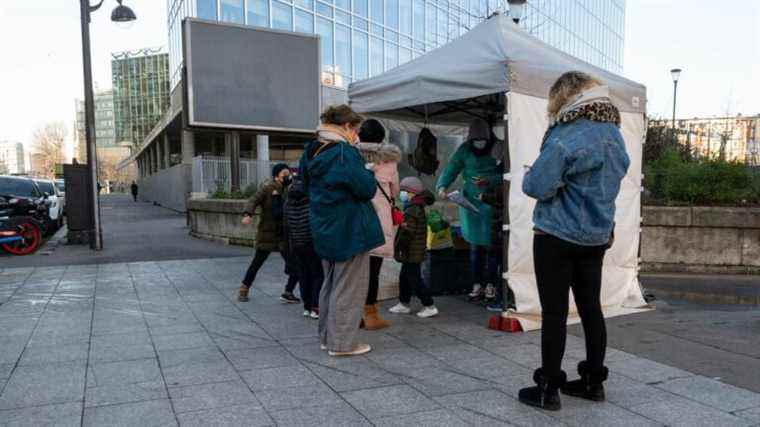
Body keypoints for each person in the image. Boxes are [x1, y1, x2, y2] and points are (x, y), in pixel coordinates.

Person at [517, 71, 629, 411]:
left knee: (554, 312)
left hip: (557, 235)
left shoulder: (567, 134)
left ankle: (548, 388)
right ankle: (594, 382)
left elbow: (536, 186)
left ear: (566, 98)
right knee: (591, 308)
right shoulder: (614, 134)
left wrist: (537, 176)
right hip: (596, 236)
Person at [299, 105, 384, 357]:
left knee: (331, 284)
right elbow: (366, 189)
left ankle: (328, 337)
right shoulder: (344, 153)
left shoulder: (312, 150)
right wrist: (369, 172)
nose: (357, 134)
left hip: (324, 225)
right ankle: (342, 344)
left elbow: (305, 185)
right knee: (349, 287)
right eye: (355, 129)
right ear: (346, 127)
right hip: (349, 228)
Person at [436, 118, 500, 302]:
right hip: (470, 202)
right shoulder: (464, 150)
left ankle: (491, 284)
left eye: (482, 139)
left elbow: (507, 170)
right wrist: (442, 186)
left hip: (491, 200)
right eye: (475, 140)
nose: (479, 143)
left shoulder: (499, 148)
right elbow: (451, 168)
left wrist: (489, 180)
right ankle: (476, 284)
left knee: (492, 247)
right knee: (475, 247)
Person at [356, 119, 400, 330]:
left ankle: (353, 315)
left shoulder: (350, 156)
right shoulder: (389, 160)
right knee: (373, 270)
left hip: (354, 220)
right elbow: (395, 191)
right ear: (382, 138)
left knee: (352, 271)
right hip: (378, 221)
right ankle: (370, 314)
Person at [238, 164, 300, 303]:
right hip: (267, 234)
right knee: (257, 263)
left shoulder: (289, 189)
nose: (288, 176)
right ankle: (244, 288)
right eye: (284, 173)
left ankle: (288, 291)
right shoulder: (268, 188)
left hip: (283, 235)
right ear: (277, 176)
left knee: (295, 264)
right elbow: (254, 199)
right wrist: (248, 214)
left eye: (288, 173)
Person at [388, 177, 438, 318]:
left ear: (412, 192)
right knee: (405, 277)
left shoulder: (412, 210)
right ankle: (404, 303)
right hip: (414, 250)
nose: (402, 193)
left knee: (414, 279)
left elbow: (407, 232)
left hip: (411, 250)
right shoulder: (417, 206)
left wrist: (399, 246)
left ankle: (429, 305)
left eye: (404, 191)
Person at [283, 176, 323, 319]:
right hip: (311, 243)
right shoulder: (311, 197)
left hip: (296, 244)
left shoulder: (288, 199)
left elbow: (286, 224)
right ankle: (315, 306)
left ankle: (306, 306)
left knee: (304, 275)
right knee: (317, 275)